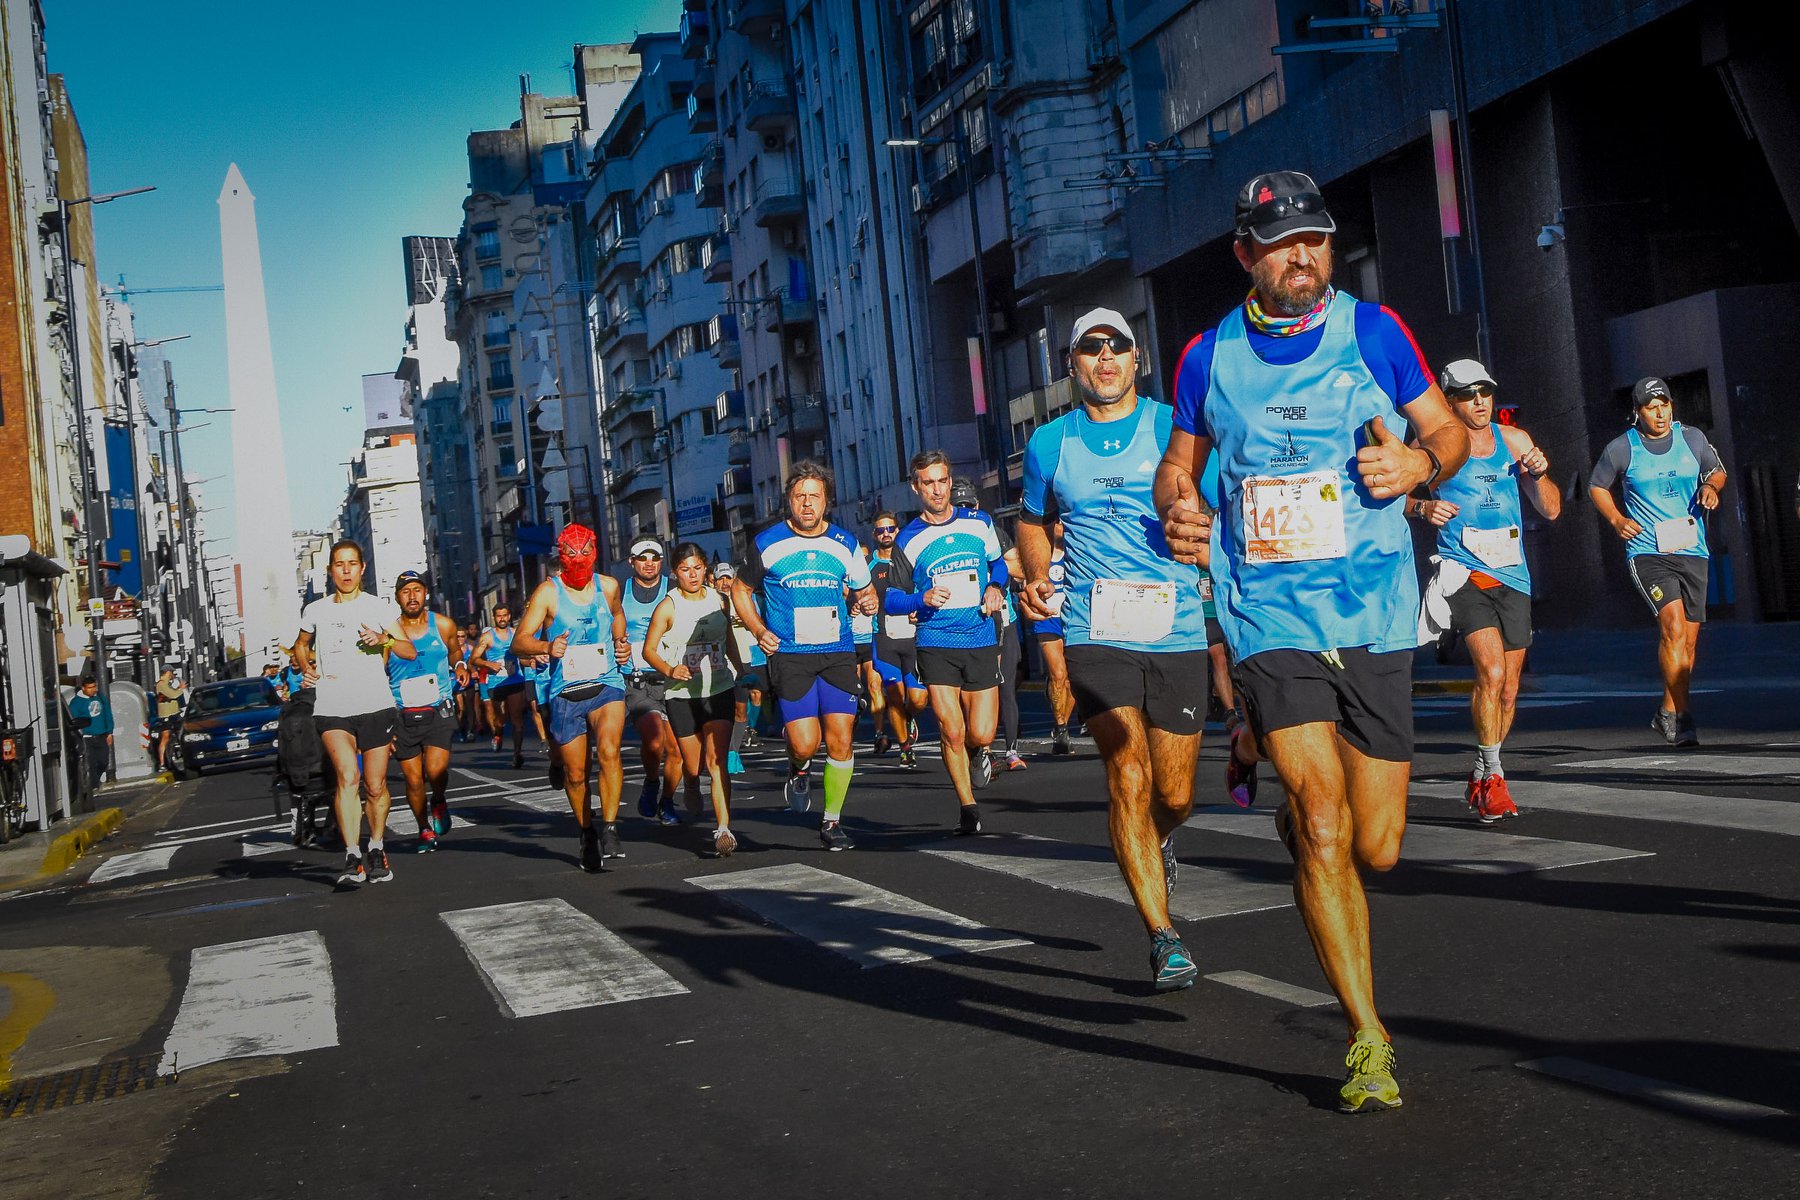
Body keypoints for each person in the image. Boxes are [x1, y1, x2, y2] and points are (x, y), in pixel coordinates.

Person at [1156, 171, 1469, 1113]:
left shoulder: (1374, 331)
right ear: (1246, 254)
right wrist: (1175, 506)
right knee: (1324, 822)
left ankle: (1306, 826)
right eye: (1282, 242)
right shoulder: (1207, 358)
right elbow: (1181, 465)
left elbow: (1448, 432)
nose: (1304, 256)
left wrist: (1418, 459)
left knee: (1376, 847)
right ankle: (1366, 1037)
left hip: (1372, 610)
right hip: (1269, 619)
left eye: (1317, 239)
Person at [1017, 307, 1212, 993]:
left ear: (1137, 360)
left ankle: (1159, 837)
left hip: (1178, 626)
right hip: (1095, 627)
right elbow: (1032, 520)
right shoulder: (1048, 444)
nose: (1105, 357)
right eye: (1089, 348)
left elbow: (1214, 503)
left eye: (1117, 346)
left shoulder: (1173, 428)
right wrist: (1038, 575)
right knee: (1127, 771)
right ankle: (1163, 935)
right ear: (1071, 365)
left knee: (1177, 794)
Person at [1406, 360, 1561, 819]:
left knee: (1510, 690)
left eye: (1486, 392)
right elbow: (1391, 498)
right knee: (1490, 674)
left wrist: (1538, 473)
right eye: (1469, 395)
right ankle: (1494, 776)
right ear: (1449, 402)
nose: (1480, 402)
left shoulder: (1515, 442)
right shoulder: (1434, 448)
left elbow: (1551, 510)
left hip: (1512, 572)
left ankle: (1481, 768)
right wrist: (1421, 508)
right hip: (1464, 573)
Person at [730, 461, 876, 851]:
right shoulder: (767, 543)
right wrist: (760, 630)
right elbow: (740, 591)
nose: (807, 504)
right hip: (790, 655)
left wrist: (868, 600)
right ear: (789, 502)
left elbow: (864, 591)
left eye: (815, 496)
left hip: (837, 652)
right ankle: (798, 768)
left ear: (827, 501)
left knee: (841, 740)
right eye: (800, 497)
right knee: (805, 743)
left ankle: (832, 822)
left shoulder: (846, 544)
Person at [1588, 377, 1726, 747]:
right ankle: (1682, 719)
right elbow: (1597, 486)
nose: (1660, 412)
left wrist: (1711, 487)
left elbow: (1716, 470)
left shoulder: (1692, 438)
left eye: (1664, 404)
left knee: (1690, 644)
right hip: (1648, 551)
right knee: (1674, 628)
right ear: (1638, 412)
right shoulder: (1622, 448)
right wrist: (1617, 520)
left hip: (1692, 549)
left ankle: (1666, 709)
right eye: (1651, 406)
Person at [887, 451, 1009, 834]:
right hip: (936, 640)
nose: (937, 490)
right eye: (929, 483)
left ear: (950, 480)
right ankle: (967, 806)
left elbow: (999, 564)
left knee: (982, 732)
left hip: (980, 635)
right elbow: (892, 598)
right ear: (916, 487)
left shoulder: (978, 522)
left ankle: (978, 752)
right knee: (951, 729)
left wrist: (994, 586)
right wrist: (919, 599)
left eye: (942, 481)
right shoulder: (908, 538)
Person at [292, 539, 420, 887]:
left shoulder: (378, 607)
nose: (345, 570)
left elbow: (409, 651)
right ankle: (352, 855)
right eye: (339, 564)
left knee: (375, 786)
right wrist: (306, 667)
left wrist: (385, 640)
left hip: (376, 705)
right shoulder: (316, 611)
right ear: (330, 570)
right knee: (347, 777)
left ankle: (376, 847)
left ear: (362, 569)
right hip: (333, 706)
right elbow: (300, 646)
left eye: (352, 564)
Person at [512, 524, 631, 871]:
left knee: (609, 750)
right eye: (572, 554)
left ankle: (609, 827)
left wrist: (621, 645)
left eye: (585, 553)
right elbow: (520, 641)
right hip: (566, 690)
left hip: (606, 680)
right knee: (576, 774)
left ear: (595, 552)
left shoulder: (608, 586)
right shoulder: (548, 593)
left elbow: (618, 615)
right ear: (561, 557)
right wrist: (547, 646)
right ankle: (586, 831)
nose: (579, 560)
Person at [644, 545, 740, 856]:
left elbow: (729, 639)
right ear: (675, 572)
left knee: (717, 761)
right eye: (686, 570)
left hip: (719, 688)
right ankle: (691, 783)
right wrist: (670, 669)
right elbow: (649, 650)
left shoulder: (718, 600)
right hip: (681, 694)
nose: (693, 575)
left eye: (697, 568)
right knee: (694, 763)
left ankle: (723, 828)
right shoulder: (668, 606)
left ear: (705, 570)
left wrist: (742, 670)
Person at [387, 571, 469, 852]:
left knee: (435, 770)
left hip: (438, 707)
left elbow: (456, 652)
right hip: (403, 713)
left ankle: (440, 799)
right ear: (397, 597)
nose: (412, 596)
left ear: (425, 594)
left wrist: (460, 666)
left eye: (417, 590)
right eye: (406, 591)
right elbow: (379, 672)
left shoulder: (443, 624)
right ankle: (423, 828)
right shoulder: (389, 632)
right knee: (412, 779)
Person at [951, 478, 1029, 771]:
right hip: (966, 625)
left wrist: (995, 571)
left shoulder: (991, 531)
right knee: (970, 691)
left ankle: (1011, 750)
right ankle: (979, 748)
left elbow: (1017, 566)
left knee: (1006, 685)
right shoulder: (944, 535)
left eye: (968, 505)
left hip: (1001, 620)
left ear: (977, 505)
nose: (964, 510)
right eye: (958, 506)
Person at [620, 536, 684, 825]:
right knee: (655, 741)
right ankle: (650, 780)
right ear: (631, 561)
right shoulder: (619, 594)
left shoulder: (674, 591)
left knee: (677, 751)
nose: (649, 563)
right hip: (639, 681)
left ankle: (668, 800)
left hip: (674, 678)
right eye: (642, 558)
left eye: (655, 558)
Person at [868, 511, 926, 769]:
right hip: (885, 638)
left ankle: (908, 716)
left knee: (917, 699)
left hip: (913, 638)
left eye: (890, 528)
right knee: (894, 695)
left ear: (898, 531)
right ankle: (905, 749)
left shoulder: (912, 560)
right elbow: (856, 594)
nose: (886, 534)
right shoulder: (870, 567)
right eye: (881, 530)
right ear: (874, 535)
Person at [1027, 526, 1077, 756]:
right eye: (1056, 522)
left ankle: (1063, 725)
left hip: (1074, 618)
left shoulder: (1075, 552)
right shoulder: (1040, 554)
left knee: (1072, 678)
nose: (1061, 526)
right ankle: (1061, 727)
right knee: (1058, 674)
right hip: (1048, 618)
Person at [713, 562, 765, 775]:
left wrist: (744, 621)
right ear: (714, 580)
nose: (725, 582)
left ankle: (734, 752)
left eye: (728, 578)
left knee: (741, 708)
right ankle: (721, 751)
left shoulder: (741, 599)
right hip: (716, 662)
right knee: (719, 710)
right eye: (720, 578)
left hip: (742, 658)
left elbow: (759, 621)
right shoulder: (710, 600)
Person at [473, 604, 531, 767]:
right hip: (496, 683)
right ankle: (497, 734)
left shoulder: (516, 634)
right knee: (500, 720)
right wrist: (488, 664)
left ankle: (517, 754)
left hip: (515, 680)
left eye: (505, 615)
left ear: (509, 616)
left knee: (517, 719)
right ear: (494, 617)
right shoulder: (487, 637)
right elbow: (474, 659)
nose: (502, 619)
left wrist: (530, 660)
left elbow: (524, 653)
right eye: (499, 616)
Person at [67, 676, 113, 791]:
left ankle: (96, 779)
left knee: (103, 761)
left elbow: (108, 714)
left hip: (101, 735)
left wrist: (110, 732)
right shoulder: (76, 702)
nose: (93, 690)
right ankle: (94, 786)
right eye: (90, 687)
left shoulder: (100, 699)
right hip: (86, 738)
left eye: (94, 687)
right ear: (83, 688)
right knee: (91, 762)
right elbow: (73, 720)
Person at [154, 669, 184, 771]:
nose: (173, 675)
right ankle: (162, 763)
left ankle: (178, 756)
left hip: (174, 714)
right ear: (167, 672)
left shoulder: (168, 684)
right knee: (165, 737)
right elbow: (173, 695)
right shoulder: (161, 685)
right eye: (171, 672)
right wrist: (181, 688)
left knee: (181, 734)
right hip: (166, 715)